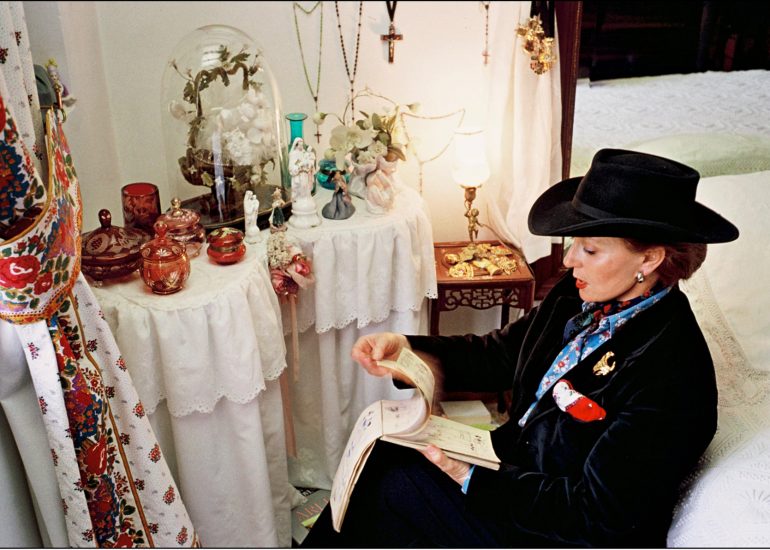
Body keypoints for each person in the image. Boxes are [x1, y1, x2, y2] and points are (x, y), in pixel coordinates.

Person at [302, 148, 739, 548]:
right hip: (514, 470)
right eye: (574, 245)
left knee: (396, 490)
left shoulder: (673, 373)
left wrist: (469, 477)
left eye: (589, 250)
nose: (569, 261)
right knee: (382, 454)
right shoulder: (579, 293)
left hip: (559, 527)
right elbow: (501, 354)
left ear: (650, 259)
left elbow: (598, 515)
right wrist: (405, 351)